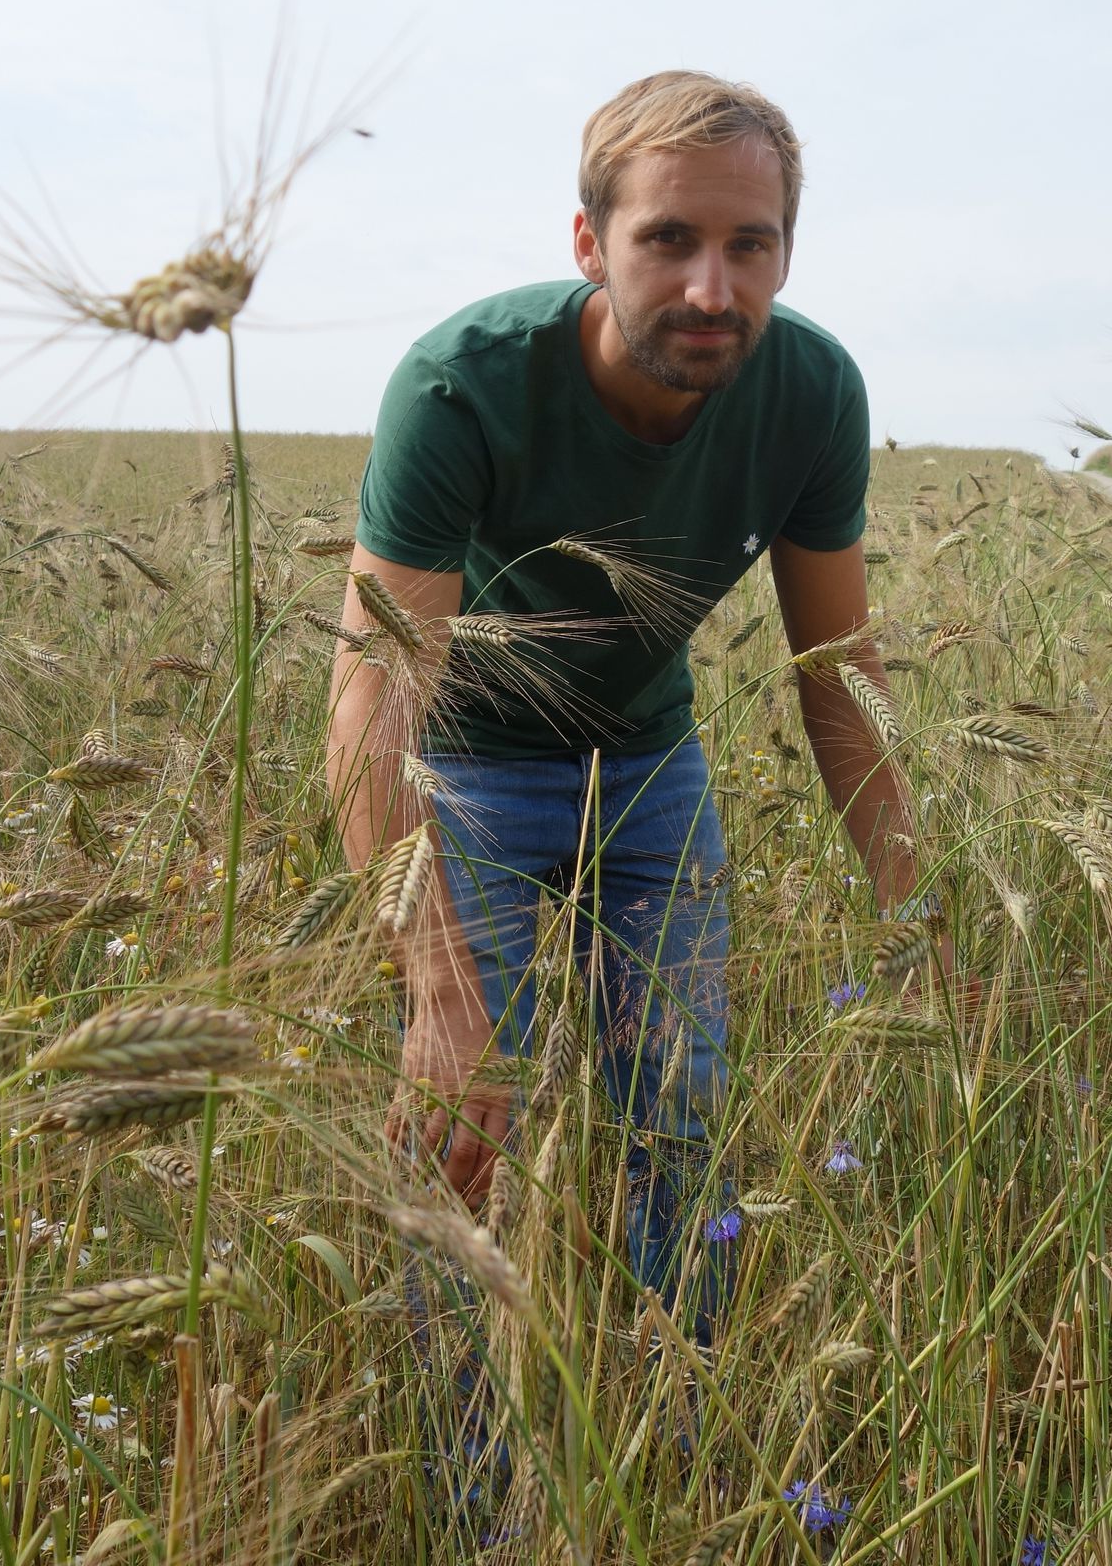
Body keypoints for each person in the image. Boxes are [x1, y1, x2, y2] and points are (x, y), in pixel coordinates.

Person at [322, 70, 941, 1342]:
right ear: (590, 244)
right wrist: (441, 997)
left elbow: (842, 684)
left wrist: (916, 912)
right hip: (461, 769)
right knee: (465, 1130)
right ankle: (478, 1498)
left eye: (749, 245)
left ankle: (678, 1425)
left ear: (786, 253)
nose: (713, 289)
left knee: (679, 1118)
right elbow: (372, 701)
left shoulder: (815, 393)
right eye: (669, 239)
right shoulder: (460, 385)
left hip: (647, 768)